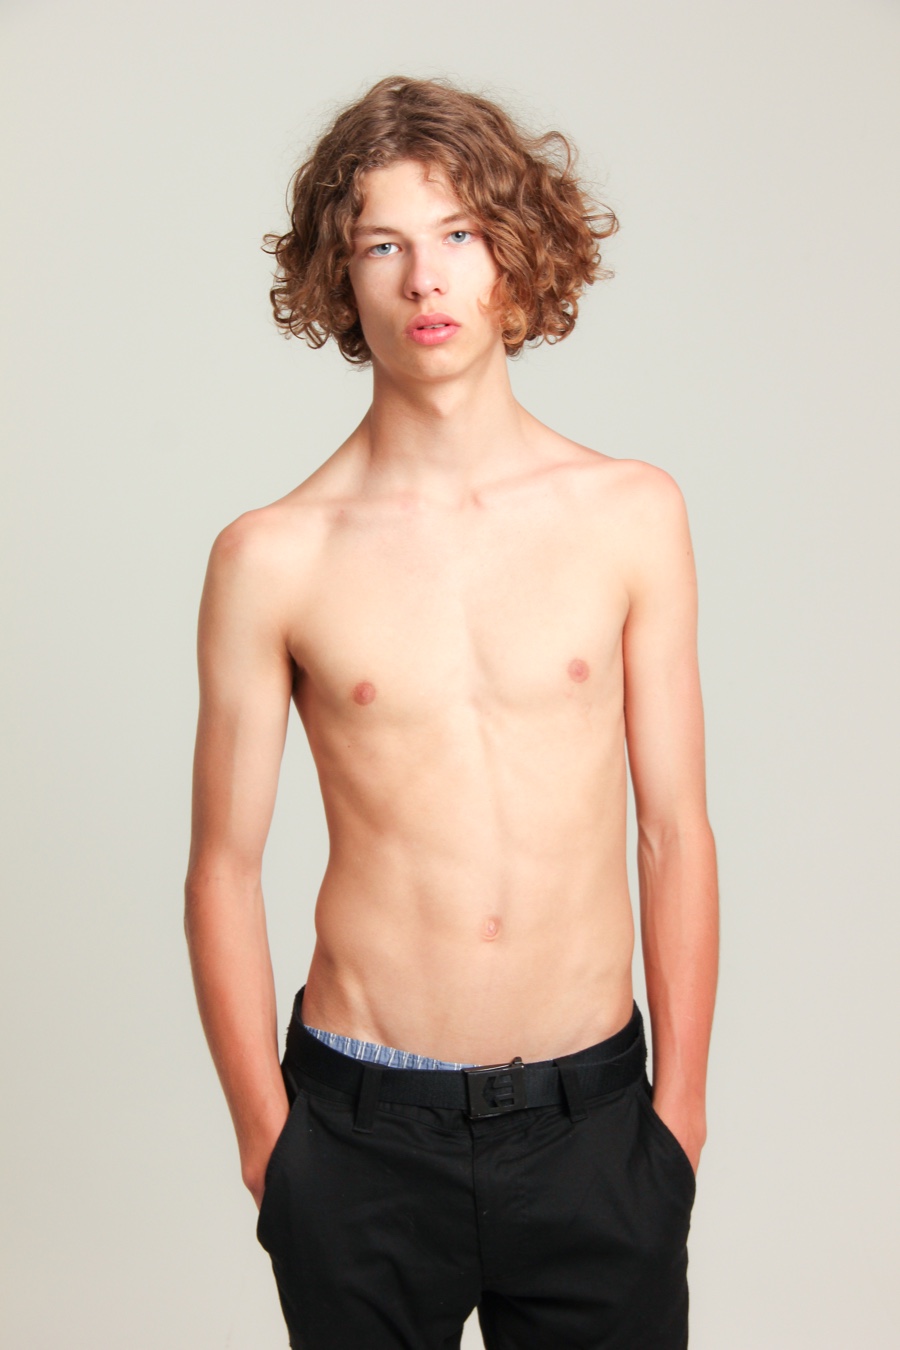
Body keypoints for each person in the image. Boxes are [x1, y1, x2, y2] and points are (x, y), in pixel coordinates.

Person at [184, 74, 718, 1349]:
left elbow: (673, 831)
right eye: (383, 245)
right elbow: (221, 870)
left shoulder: (632, 515)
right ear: (340, 275)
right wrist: (269, 1144)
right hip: (359, 1132)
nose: (425, 278)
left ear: (515, 255)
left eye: (460, 235)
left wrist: (679, 1119)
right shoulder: (272, 557)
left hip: (594, 1125)